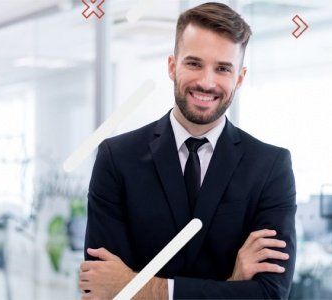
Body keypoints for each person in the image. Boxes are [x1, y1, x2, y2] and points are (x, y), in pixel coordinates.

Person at [80, 2, 296, 299]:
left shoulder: (270, 166)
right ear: (172, 66)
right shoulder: (117, 159)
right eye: (194, 63)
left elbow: (270, 294)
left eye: (222, 68)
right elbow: (103, 289)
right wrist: (232, 284)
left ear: (240, 78)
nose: (206, 82)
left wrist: (147, 288)